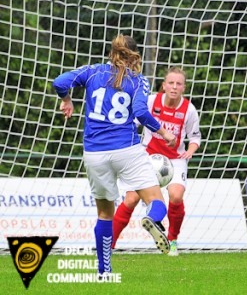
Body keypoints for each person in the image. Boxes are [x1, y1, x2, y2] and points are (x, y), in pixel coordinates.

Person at [53, 34, 177, 275]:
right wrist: (164, 133)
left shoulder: (93, 71)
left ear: (112, 53)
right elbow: (141, 112)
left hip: (95, 154)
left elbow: (59, 81)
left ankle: (104, 271)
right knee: (157, 201)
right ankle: (151, 218)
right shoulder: (138, 80)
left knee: (104, 214)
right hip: (126, 150)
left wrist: (67, 99)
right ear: (135, 55)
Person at [111, 67, 201, 256]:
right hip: (147, 156)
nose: (174, 87)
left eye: (178, 84)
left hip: (174, 160)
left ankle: (173, 240)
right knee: (131, 198)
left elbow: (195, 138)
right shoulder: (151, 101)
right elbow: (132, 123)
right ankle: (109, 244)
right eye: (171, 83)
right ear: (163, 85)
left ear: (184, 88)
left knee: (176, 195)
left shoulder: (189, 110)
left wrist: (190, 151)